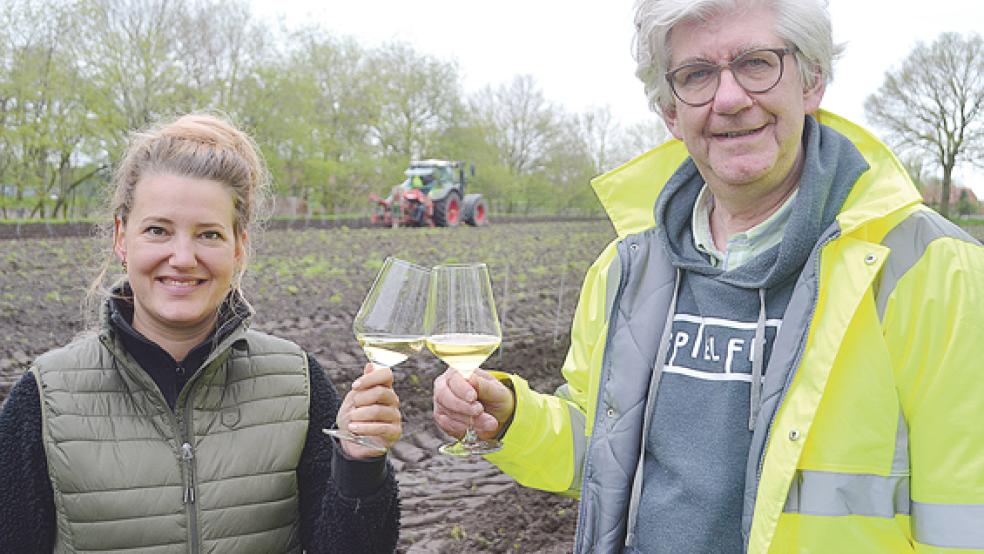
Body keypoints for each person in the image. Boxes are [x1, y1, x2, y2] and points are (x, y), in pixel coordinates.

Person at [432, 0, 984, 552]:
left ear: (811, 82)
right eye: (696, 75)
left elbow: (965, 514)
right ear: (671, 113)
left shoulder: (928, 267)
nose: (729, 99)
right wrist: (512, 418)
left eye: (757, 63)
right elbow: (604, 455)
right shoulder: (627, 269)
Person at [0, 114, 401, 553]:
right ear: (121, 238)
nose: (183, 257)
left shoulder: (298, 383)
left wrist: (359, 467)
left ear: (238, 245)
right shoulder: (44, 398)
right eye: (158, 230)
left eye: (208, 234)